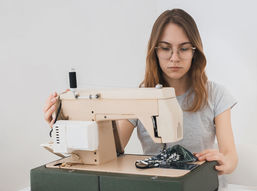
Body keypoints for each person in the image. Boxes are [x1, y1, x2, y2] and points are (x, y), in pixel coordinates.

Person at [43, 9, 238, 175]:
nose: (174, 58)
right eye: (165, 48)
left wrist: (224, 161)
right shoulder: (141, 97)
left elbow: (230, 156)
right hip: (156, 187)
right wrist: (65, 120)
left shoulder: (216, 94)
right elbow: (111, 150)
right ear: (155, 51)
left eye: (184, 49)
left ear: (195, 52)